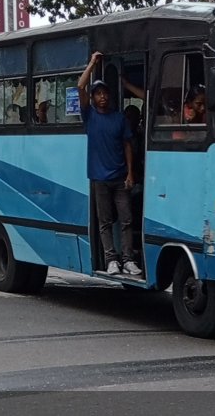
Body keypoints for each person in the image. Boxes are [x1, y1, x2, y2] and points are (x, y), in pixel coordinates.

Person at [78, 51, 142, 276]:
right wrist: (93, 63)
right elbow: (80, 86)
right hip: (99, 179)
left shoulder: (119, 118)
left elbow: (127, 146)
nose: (102, 97)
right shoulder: (90, 116)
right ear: (93, 98)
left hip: (119, 177)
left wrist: (130, 173)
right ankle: (111, 260)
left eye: (105, 93)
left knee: (126, 220)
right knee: (105, 222)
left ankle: (128, 260)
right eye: (98, 94)